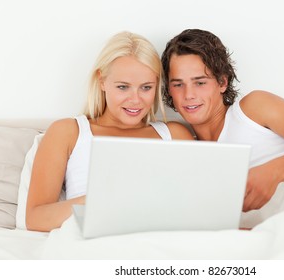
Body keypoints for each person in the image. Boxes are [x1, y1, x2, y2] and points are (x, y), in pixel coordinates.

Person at [161, 28, 284, 216]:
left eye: (200, 82)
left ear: (222, 83)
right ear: (169, 89)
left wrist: (273, 173)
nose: (189, 95)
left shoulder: (252, 108)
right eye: (178, 84)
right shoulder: (188, 148)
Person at [26, 31, 194, 232]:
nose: (135, 99)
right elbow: (35, 218)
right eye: (123, 87)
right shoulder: (68, 132)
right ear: (102, 80)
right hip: (97, 241)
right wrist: (106, 200)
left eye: (146, 87)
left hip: (159, 240)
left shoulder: (175, 135)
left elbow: (197, 204)